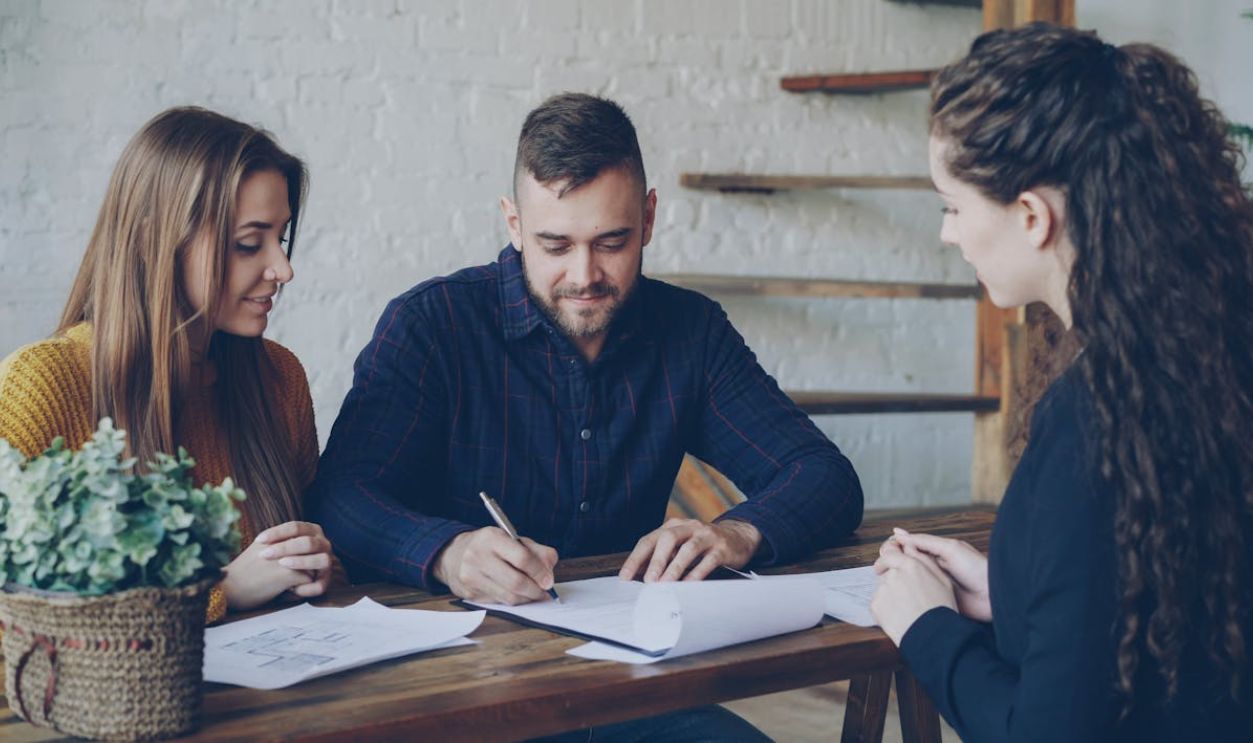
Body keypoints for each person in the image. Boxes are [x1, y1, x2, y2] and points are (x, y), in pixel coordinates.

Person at [310, 92, 863, 741]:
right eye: (554, 244)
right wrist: (446, 553)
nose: (585, 274)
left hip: (626, 682)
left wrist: (735, 533)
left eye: (611, 241)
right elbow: (340, 496)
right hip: (456, 690)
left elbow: (823, 475)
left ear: (649, 217)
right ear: (512, 224)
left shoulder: (689, 332)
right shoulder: (433, 325)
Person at [869, 23, 1253, 741]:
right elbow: (1173, 620)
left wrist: (925, 626)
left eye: (952, 207)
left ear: (1031, 216)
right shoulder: (1212, 358)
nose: (947, 235)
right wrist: (1011, 590)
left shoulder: (1096, 415)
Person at [0, 107, 337, 622]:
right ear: (157, 240)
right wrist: (218, 591)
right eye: (249, 244)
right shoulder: (43, 385)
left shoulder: (279, 377)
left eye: (281, 238)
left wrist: (318, 567)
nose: (283, 269)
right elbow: (16, 627)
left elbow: (312, 571)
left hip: (281, 695)